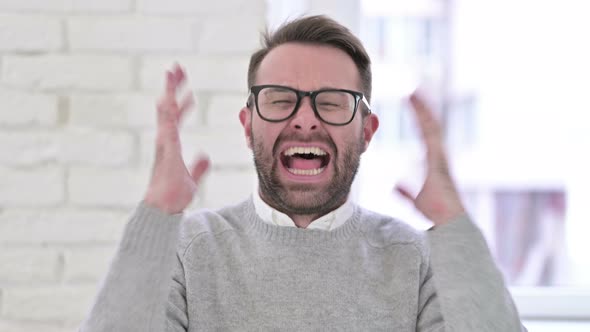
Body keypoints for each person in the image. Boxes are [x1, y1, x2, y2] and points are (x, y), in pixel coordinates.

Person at [80, 15, 525, 331]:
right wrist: (157, 214)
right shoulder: (186, 250)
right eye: (279, 99)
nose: (305, 120)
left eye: (331, 102)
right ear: (247, 125)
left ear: (367, 132)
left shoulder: (416, 258)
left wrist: (452, 223)